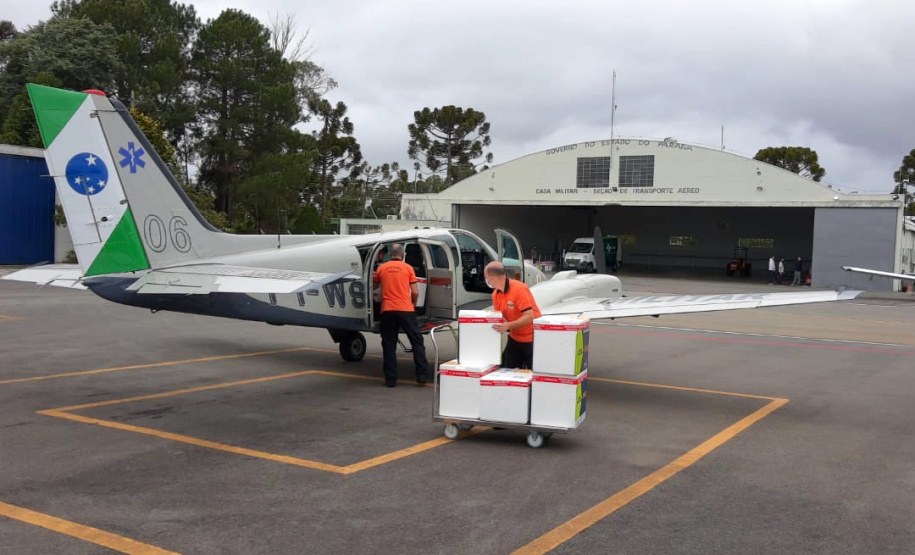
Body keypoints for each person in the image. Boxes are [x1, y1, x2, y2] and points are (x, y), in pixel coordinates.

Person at [373, 243, 429, 387]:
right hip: (405, 309)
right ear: (403, 255)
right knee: (417, 341)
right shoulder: (408, 268)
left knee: (389, 344)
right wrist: (413, 304)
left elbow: (374, 285)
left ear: (390, 255)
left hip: (387, 310)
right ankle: (422, 375)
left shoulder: (381, 268)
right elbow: (415, 291)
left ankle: (390, 379)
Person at [484, 261, 542, 369]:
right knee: (507, 370)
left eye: (486, 278)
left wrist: (509, 325)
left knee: (535, 374)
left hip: (533, 337)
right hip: (515, 337)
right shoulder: (496, 295)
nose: (487, 281)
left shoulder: (519, 289)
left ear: (492, 278)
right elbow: (499, 319)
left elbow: (530, 316)